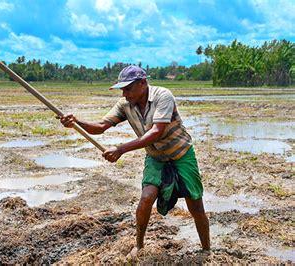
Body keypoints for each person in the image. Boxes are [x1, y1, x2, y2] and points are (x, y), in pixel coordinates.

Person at [59, 65, 210, 251]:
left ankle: (206, 249)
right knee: (146, 198)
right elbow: (100, 125)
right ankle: (139, 246)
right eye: (122, 89)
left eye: (128, 88)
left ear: (143, 83)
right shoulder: (125, 104)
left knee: (195, 205)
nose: (124, 93)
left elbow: (156, 132)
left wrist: (121, 149)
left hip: (181, 154)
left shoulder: (163, 96)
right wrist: (76, 122)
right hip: (155, 157)